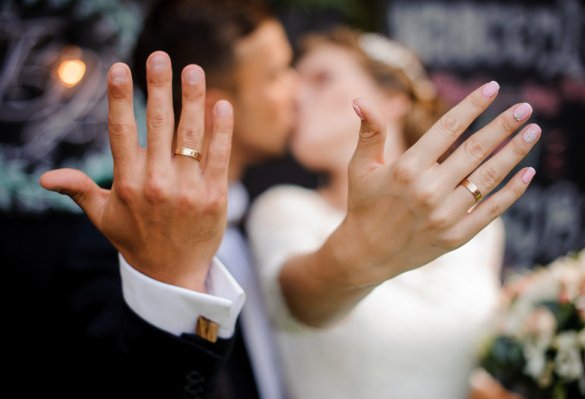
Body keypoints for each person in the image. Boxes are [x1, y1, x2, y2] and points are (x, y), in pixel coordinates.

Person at [39, 0, 541, 397]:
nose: (296, 91)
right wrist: (172, 281)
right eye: (279, 74)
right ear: (218, 107)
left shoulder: (258, 210)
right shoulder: (118, 238)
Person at [246, 27, 538, 398]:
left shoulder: (479, 228)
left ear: (394, 98)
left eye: (321, 78)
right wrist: (359, 253)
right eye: (291, 82)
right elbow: (301, 306)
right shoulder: (284, 209)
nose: (296, 96)